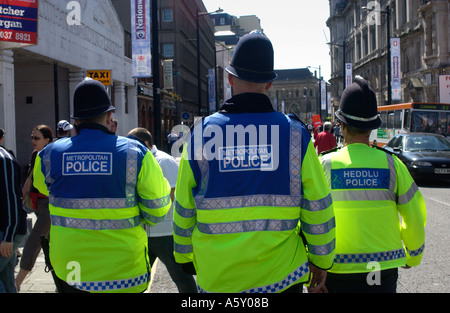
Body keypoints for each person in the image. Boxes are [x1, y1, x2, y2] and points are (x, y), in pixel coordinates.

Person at [173, 31, 335, 293]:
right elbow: (317, 205)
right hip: (281, 278)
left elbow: (183, 206)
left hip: (218, 280)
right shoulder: (295, 134)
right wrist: (321, 259)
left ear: (229, 78)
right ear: (269, 84)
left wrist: (184, 257)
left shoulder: (201, 134)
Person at [32, 78, 171, 293]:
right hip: (125, 275)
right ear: (108, 116)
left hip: (71, 273)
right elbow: (157, 209)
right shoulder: (135, 153)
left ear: (75, 120)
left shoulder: (50, 155)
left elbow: (43, 188)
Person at [319, 76, 427, 293]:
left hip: (335, 268)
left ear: (341, 126)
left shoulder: (325, 164)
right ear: (372, 126)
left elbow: (310, 217)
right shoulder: (392, 165)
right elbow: (414, 213)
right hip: (379, 268)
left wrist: (313, 263)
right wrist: (412, 255)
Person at [127, 128, 198, 293]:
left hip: (165, 233)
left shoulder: (164, 161)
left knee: (181, 277)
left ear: (145, 144)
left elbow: (176, 195)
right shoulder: (138, 161)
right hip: (145, 232)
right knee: (136, 279)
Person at [16, 125, 53, 291]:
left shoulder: (52, 155)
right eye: (32, 137)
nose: (33, 141)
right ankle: (64, 281)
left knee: (34, 241)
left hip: (50, 205)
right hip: (38, 204)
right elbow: (31, 176)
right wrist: (23, 193)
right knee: (53, 244)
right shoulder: (35, 154)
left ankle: (17, 283)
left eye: (36, 138)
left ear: (47, 139)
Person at [1, 146, 27, 293]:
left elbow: (11, 199)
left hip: (7, 231)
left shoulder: (4, 159)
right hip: (7, 231)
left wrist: (8, 236)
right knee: (7, 281)